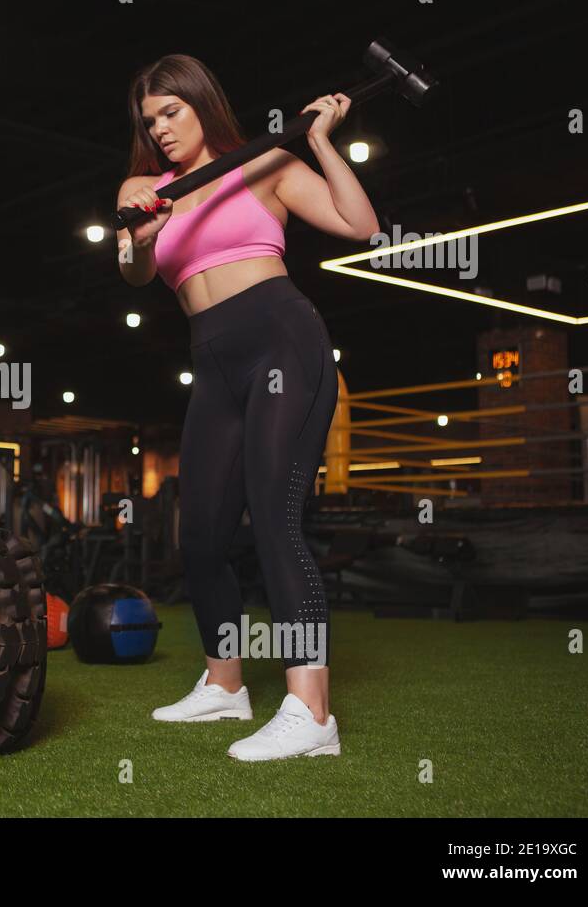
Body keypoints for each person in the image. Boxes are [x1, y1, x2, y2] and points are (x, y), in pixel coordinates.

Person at [115, 54, 379, 761]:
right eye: (150, 120)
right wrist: (138, 237)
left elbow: (359, 224)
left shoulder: (263, 167)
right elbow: (135, 271)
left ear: (202, 103)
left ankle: (312, 711)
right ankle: (226, 686)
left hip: (281, 341)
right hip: (212, 362)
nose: (162, 129)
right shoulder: (145, 189)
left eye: (172, 111)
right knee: (198, 534)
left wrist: (319, 141)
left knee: (274, 516)